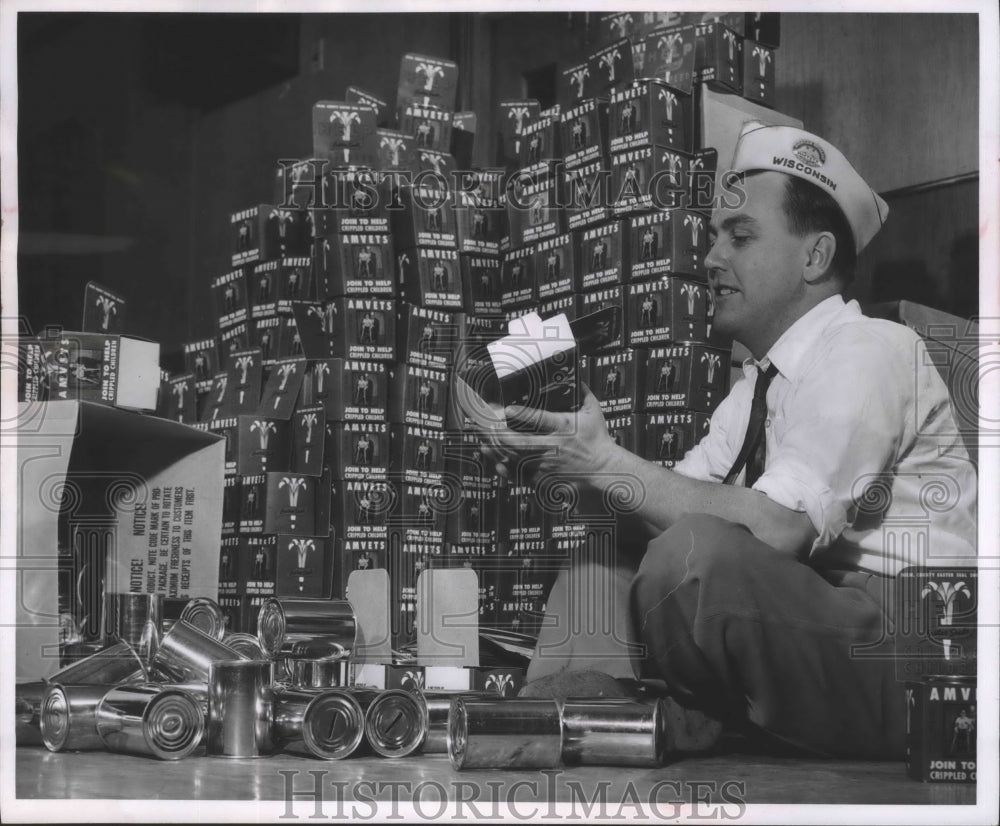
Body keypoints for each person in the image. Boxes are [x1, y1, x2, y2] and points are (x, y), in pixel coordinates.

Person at [487, 122, 977, 759]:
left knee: (692, 557)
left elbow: (779, 529)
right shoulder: (757, 385)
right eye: (715, 237)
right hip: (811, 625)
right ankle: (565, 731)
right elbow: (660, 513)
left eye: (740, 237)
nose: (713, 258)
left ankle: (663, 717)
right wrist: (563, 463)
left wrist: (606, 462)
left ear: (815, 257)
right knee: (602, 561)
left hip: (914, 652)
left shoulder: (867, 350)